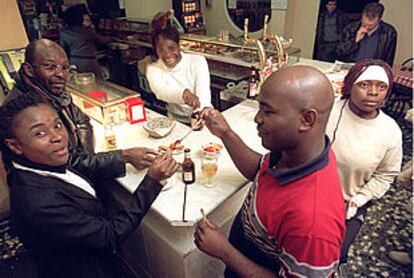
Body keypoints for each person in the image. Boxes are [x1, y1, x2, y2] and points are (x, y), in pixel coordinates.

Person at [0, 94, 179, 278]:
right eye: (39, 133)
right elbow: (110, 235)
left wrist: (125, 156)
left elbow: (77, 163)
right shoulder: (39, 204)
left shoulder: (38, 161)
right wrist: (152, 181)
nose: (58, 137)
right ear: (15, 146)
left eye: (57, 125)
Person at [194, 66, 346, 277]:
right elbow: (260, 171)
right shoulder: (297, 154)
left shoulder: (312, 223)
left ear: (307, 120)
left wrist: (225, 252)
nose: (257, 118)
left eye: (268, 111)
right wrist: (226, 133)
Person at [325, 59, 402, 262]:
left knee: (332, 256)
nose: (373, 92)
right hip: (306, 195)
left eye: (381, 86)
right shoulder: (327, 112)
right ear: (350, 86)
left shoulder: (390, 131)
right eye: (364, 84)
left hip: (347, 205)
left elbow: (386, 174)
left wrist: (360, 198)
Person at [4, 39, 94, 154]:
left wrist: (87, 155)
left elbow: (81, 119)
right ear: (29, 70)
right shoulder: (19, 107)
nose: (60, 74)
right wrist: (89, 163)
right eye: (50, 67)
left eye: (65, 67)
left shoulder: (52, 90)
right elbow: (53, 156)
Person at [146, 24, 212, 125]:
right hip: (175, 121)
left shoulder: (197, 61)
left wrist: (197, 114)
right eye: (161, 50)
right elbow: (161, 92)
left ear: (179, 45)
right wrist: (184, 94)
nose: (167, 55)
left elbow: (203, 93)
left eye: (171, 48)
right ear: (156, 50)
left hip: (203, 116)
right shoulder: (153, 69)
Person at [60, 4, 112, 79]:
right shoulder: (87, 31)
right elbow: (102, 40)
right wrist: (112, 38)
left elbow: (64, 50)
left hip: (74, 61)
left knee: (79, 83)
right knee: (97, 82)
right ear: (80, 18)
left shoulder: (63, 32)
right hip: (88, 62)